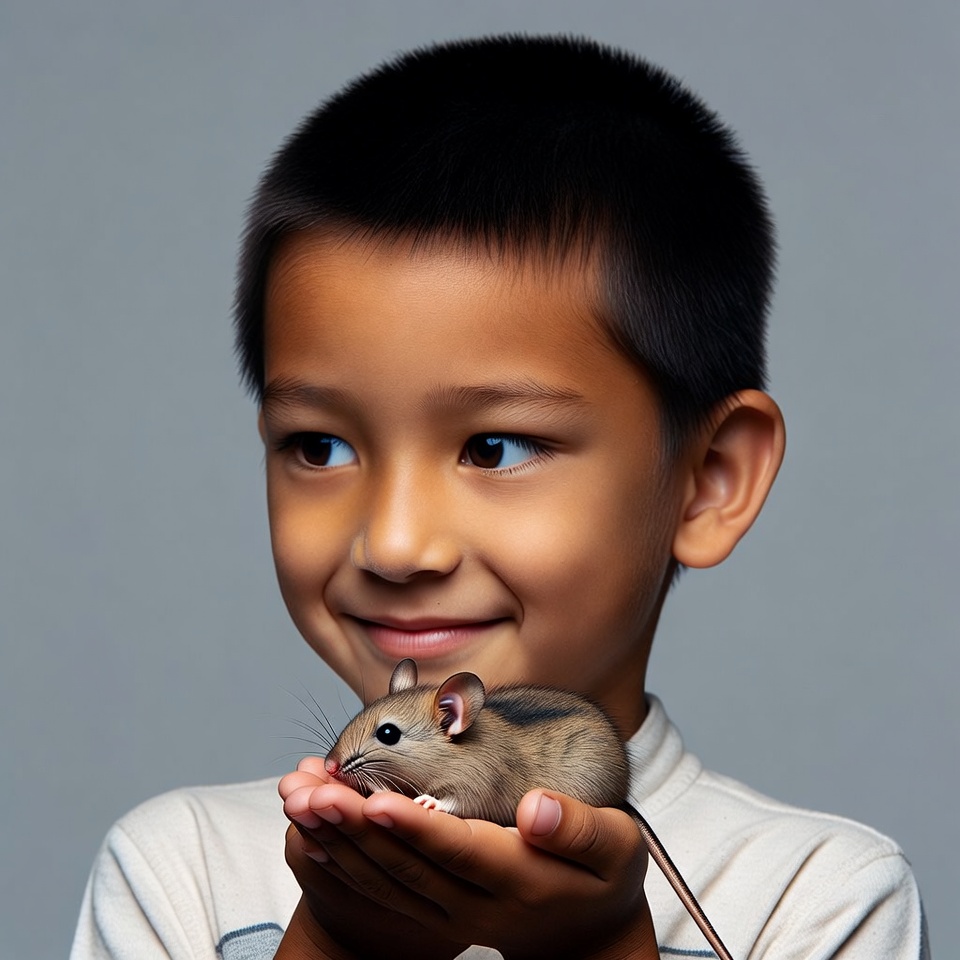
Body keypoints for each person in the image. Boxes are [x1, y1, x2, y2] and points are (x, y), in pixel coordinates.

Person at [70, 35, 928, 960]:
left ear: (709, 481)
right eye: (320, 445)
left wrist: (604, 947)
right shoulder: (178, 875)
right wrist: (337, 936)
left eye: (495, 446)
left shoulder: (821, 897)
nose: (394, 545)